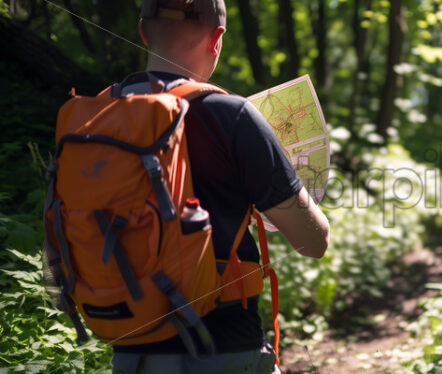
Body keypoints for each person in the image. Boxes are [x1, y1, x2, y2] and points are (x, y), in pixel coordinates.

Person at [108, 1, 330, 373]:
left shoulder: (96, 115)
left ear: (144, 31)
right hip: (227, 348)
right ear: (217, 39)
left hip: (132, 351)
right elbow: (313, 242)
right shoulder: (231, 115)